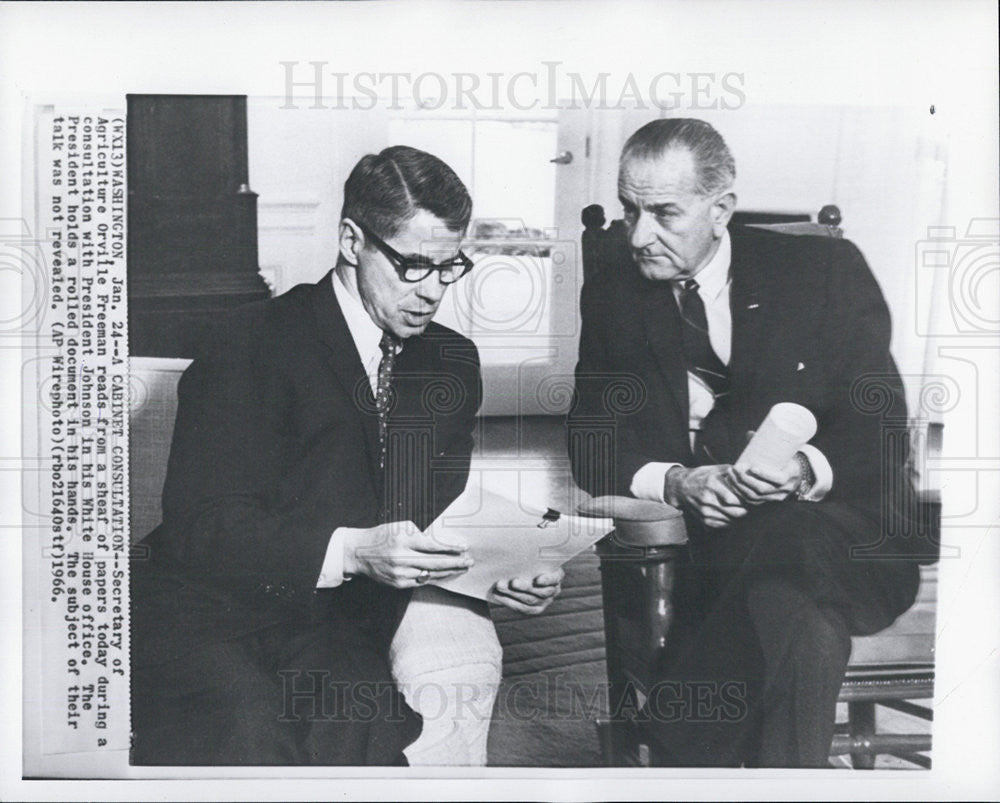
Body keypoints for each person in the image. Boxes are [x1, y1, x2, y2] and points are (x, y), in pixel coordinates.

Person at [130, 145, 562, 766]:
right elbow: (205, 526)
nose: (433, 291)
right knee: (246, 728)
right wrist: (352, 551)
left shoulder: (450, 362)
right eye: (413, 265)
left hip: (332, 624)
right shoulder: (248, 342)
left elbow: (438, 516)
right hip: (204, 610)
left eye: (449, 267)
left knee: (362, 730)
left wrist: (504, 570)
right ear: (352, 240)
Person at [568, 119, 925, 767]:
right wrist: (679, 480)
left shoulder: (821, 272)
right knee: (806, 628)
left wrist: (800, 469)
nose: (639, 234)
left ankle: (680, 734)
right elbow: (589, 444)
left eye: (663, 213)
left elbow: (879, 423)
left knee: (788, 527)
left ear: (721, 208)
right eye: (628, 210)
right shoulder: (615, 292)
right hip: (719, 552)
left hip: (844, 538)